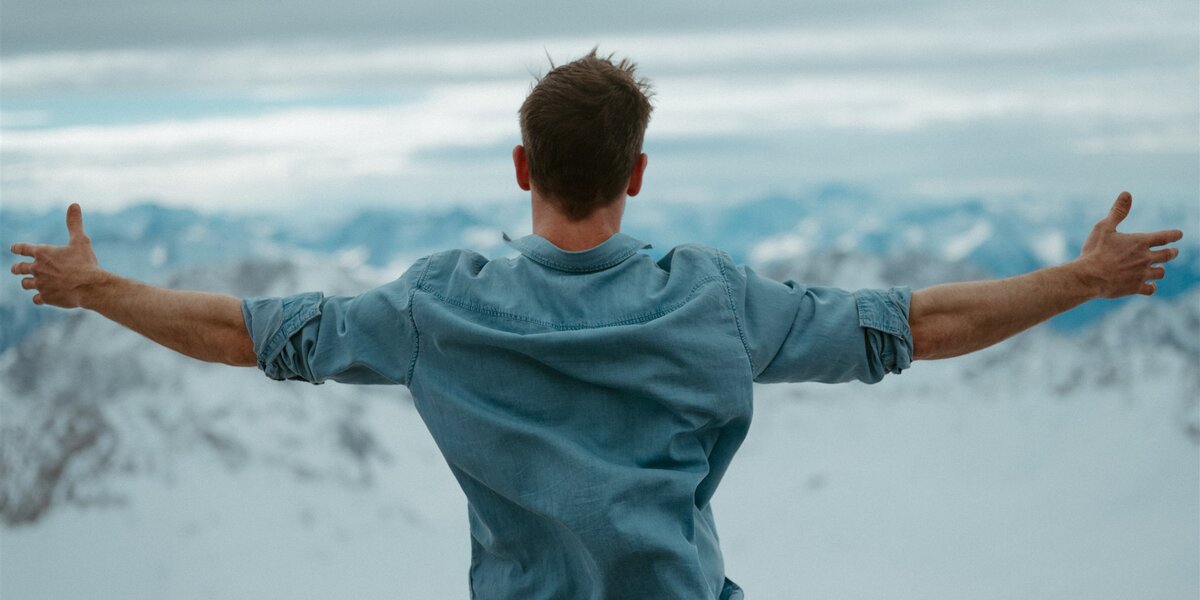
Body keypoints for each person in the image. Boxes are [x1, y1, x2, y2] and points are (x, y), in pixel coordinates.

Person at [8, 50, 1184, 599]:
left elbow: (247, 333)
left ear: (522, 164)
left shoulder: (433, 308)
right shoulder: (719, 304)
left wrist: (99, 289)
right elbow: (916, 325)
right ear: (639, 169)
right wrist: (1075, 282)